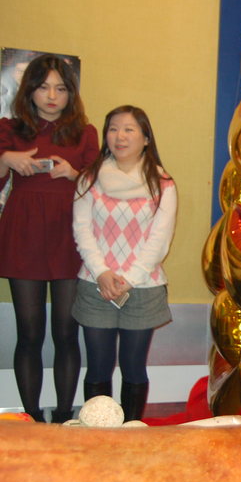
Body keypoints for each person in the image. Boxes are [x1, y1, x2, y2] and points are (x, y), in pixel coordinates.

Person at [0, 54, 99, 423]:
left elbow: (100, 187)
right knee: (28, 333)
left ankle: (61, 416)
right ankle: (29, 418)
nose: (52, 95)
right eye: (44, 87)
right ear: (31, 90)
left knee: (65, 333)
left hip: (68, 232)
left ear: (70, 93)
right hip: (23, 230)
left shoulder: (85, 133)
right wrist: (7, 158)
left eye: (60, 88)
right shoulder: (10, 128)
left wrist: (74, 173)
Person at [72, 106, 177, 422]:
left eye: (129, 129)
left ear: (146, 138)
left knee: (133, 367)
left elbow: (159, 240)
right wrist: (102, 273)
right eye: (113, 128)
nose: (120, 136)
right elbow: (82, 230)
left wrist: (129, 278)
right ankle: (100, 434)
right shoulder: (89, 179)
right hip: (95, 285)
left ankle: (131, 431)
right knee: (99, 366)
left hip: (143, 288)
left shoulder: (163, 183)